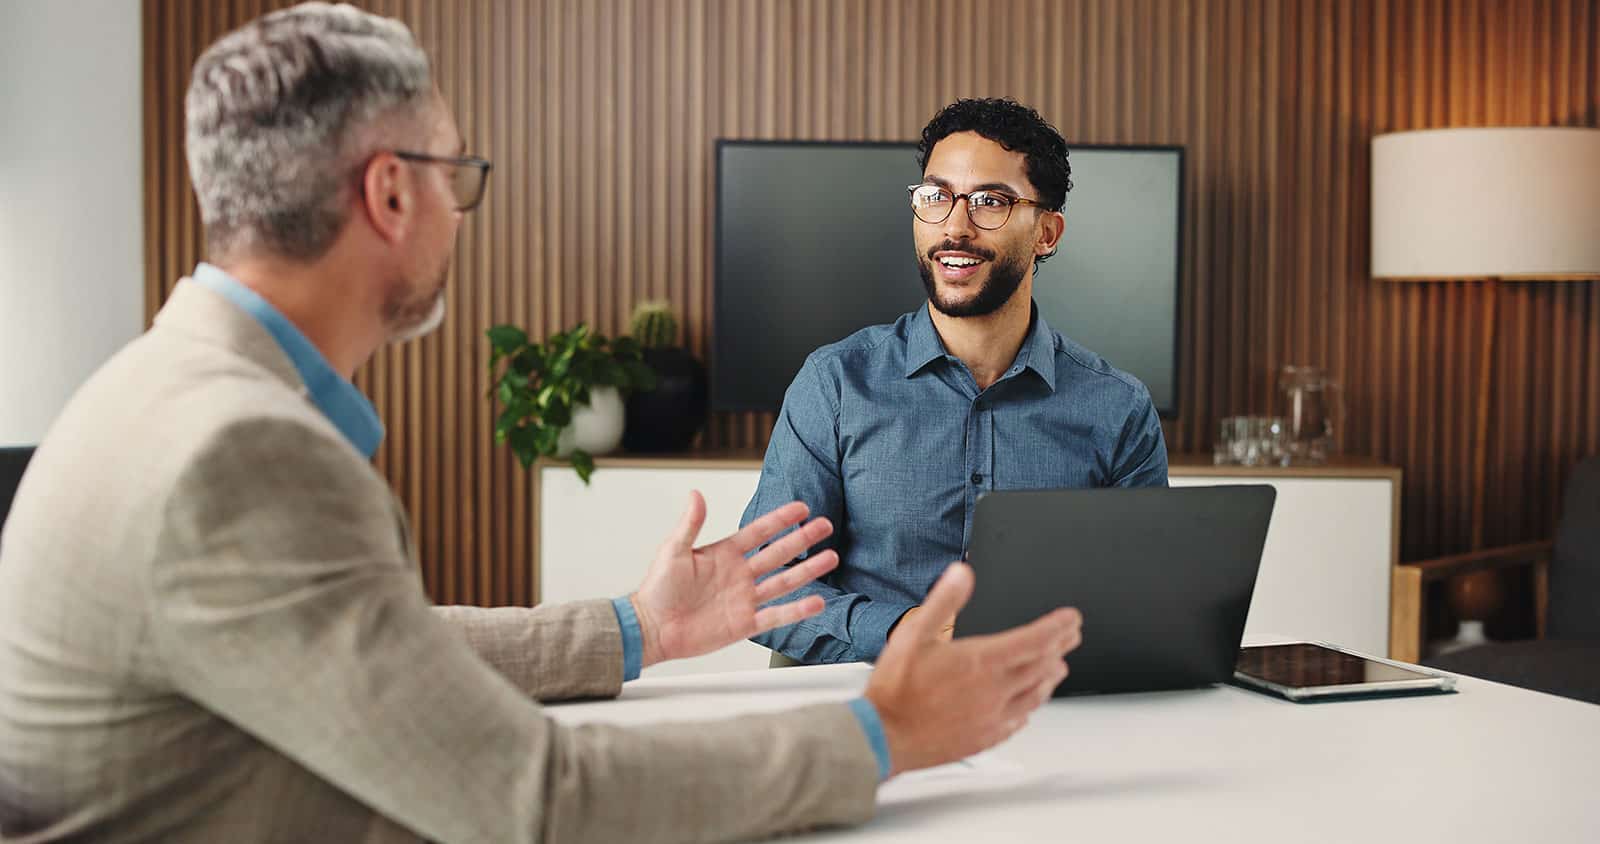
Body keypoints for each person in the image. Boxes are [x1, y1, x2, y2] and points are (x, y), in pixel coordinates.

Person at [0, 6, 1083, 843]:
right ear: (388, 194)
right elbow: (536, 798)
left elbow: (389, 651)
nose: (458, 214)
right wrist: (881, 732)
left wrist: (638, 628)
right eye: (455, 177)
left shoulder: (158, 391)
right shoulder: (243, 452)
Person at [746, 97, 1167, 666]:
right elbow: (764, 586)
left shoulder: (1117, 409)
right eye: (936, 197)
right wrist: (897, 631)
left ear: (1046, 232)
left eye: (990, 201)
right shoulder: (835, 384)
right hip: (867, 714)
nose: (955, 227)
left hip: (1047, 714)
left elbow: (1149, 600)